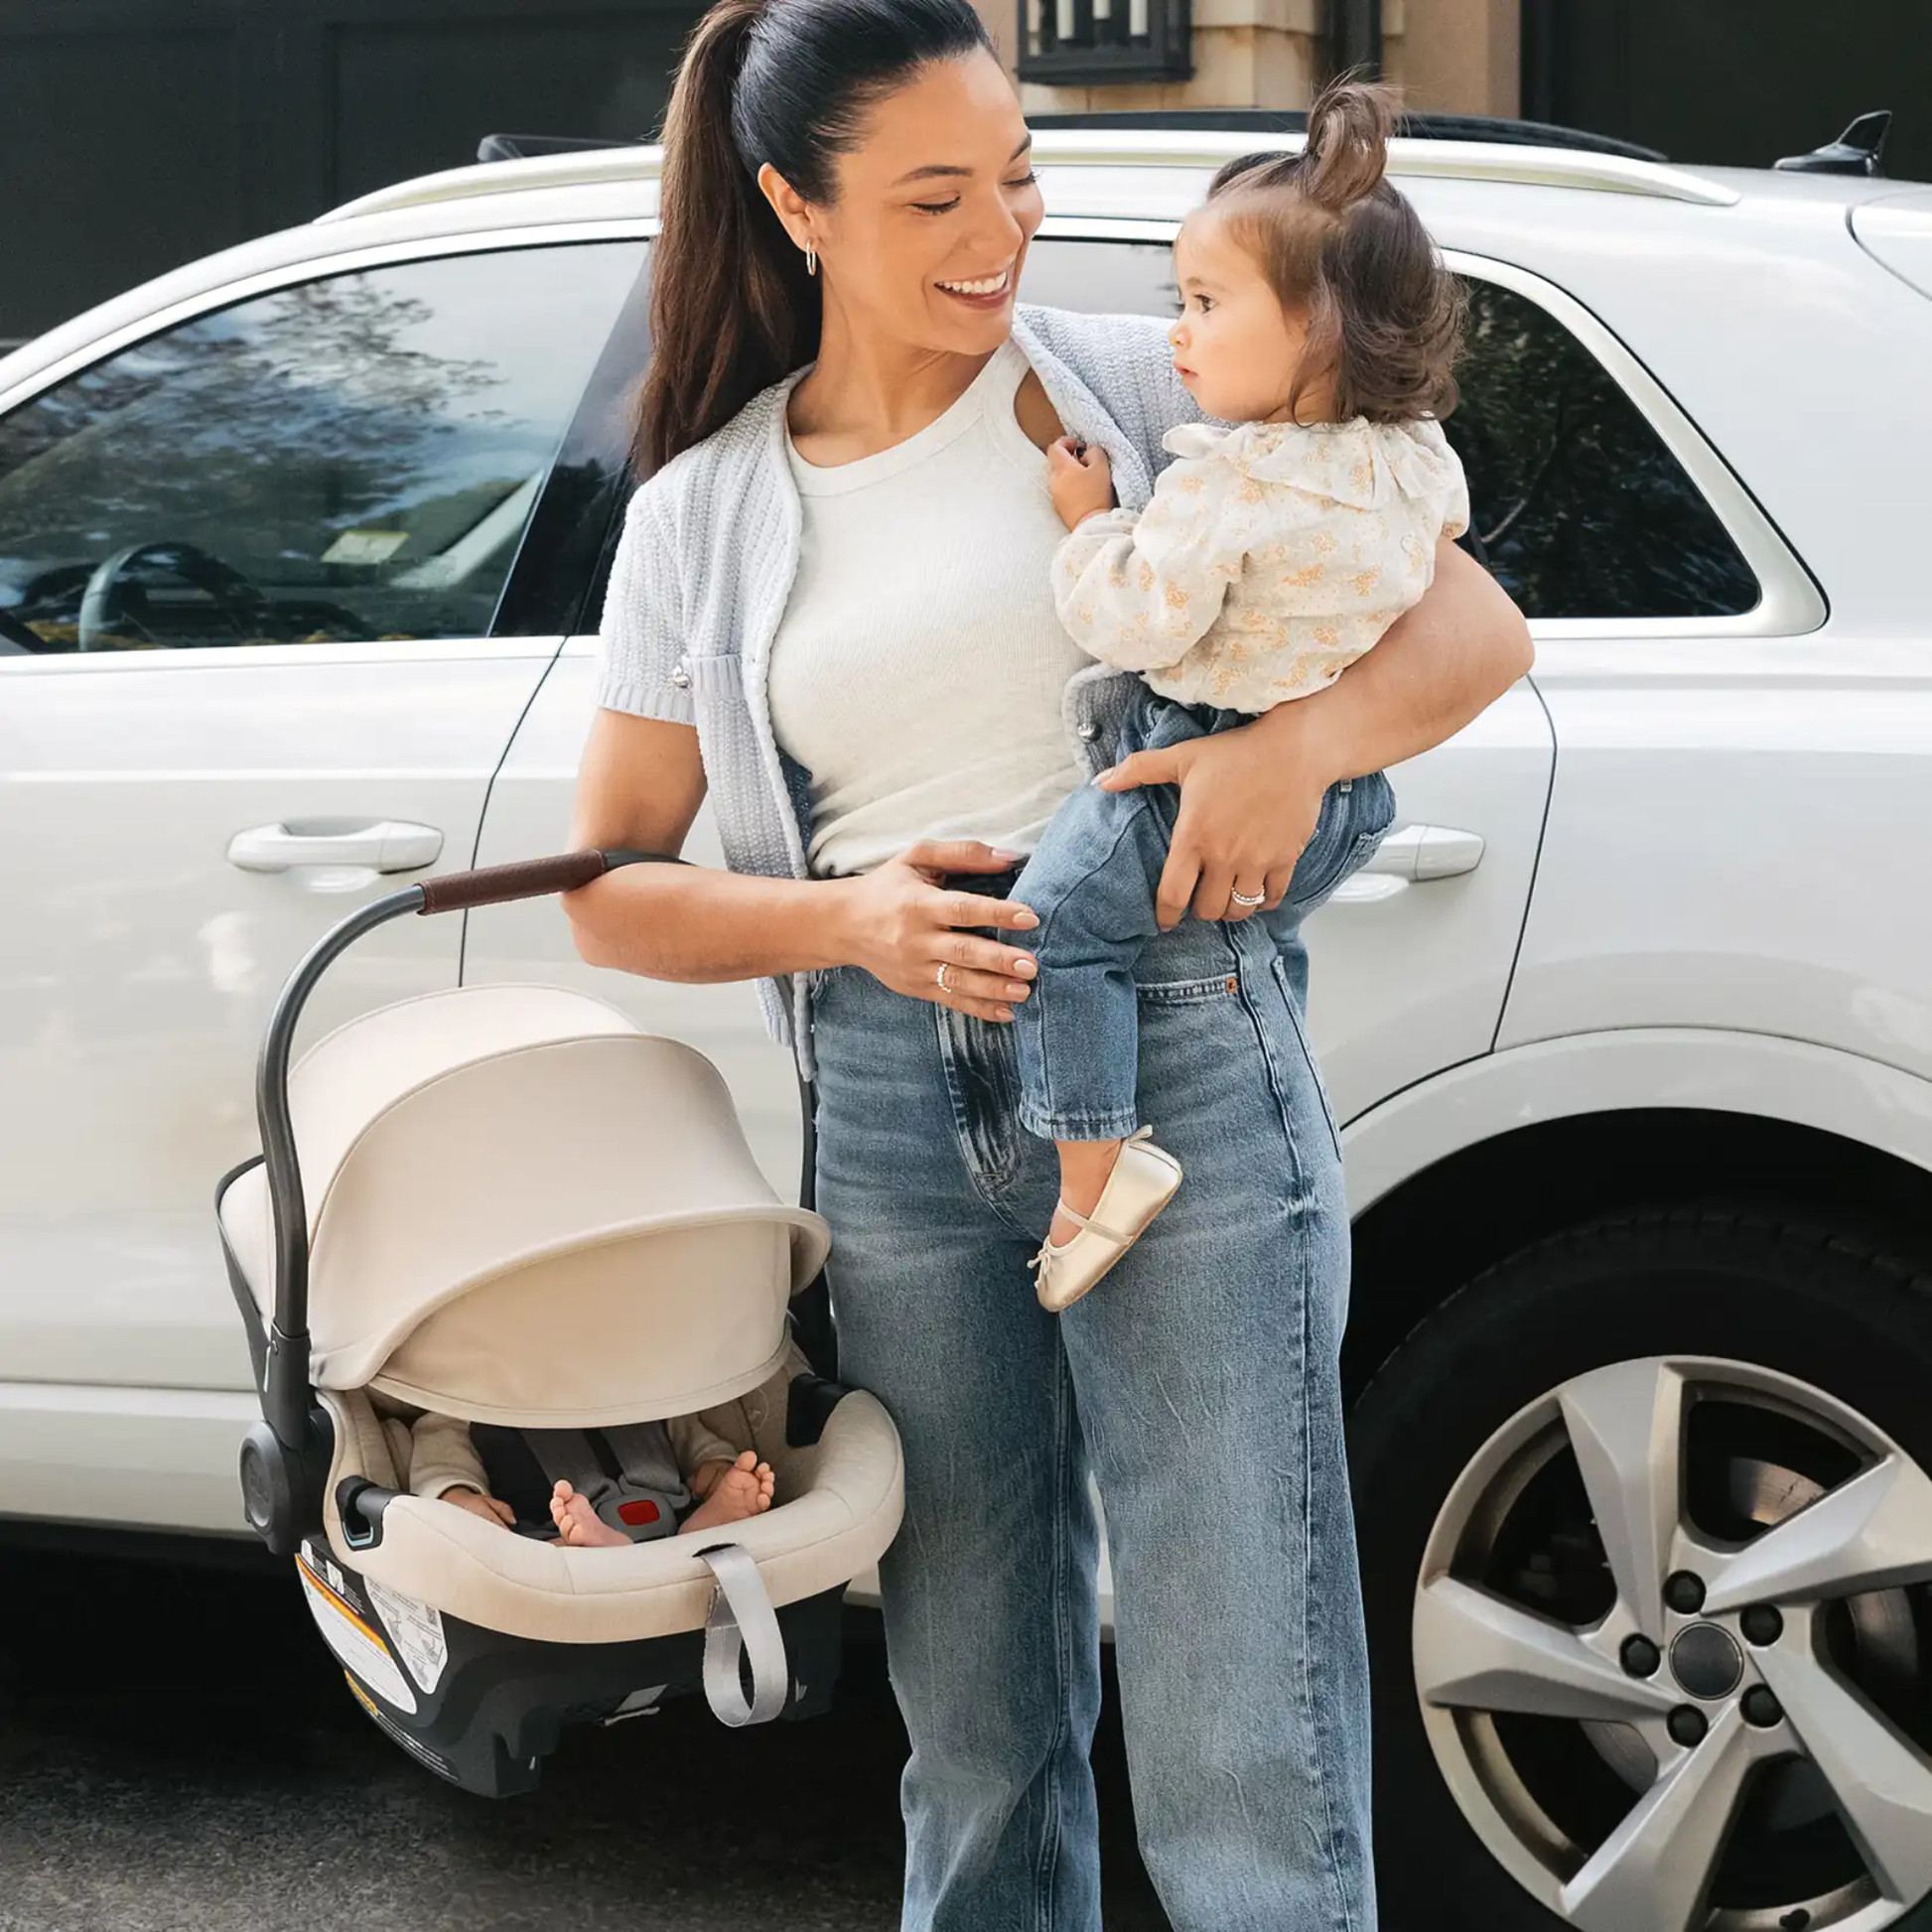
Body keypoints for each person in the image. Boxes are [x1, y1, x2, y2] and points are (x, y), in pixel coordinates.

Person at [564, 1, 1533, 1924]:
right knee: (978, 1702)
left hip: (1174, 1031)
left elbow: (1475, 626)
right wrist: (847, 917)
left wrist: (1289, 749)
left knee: (1236, 1679)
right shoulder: (701, 511)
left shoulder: (1146, 383)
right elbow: (610, 884)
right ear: (793, 206)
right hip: (895, 1089)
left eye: (1014, 173)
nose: (997, 228)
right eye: (934, 194)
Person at [1017, 76, 1470, 1311]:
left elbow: (1133, 619)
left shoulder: (1227, 484)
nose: (1176, 333)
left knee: (1050, 930)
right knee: (1247, 950)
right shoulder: (1416, 457)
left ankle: (1091, 1174)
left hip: (1196, 760)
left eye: (1205, 303)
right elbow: (1436, 564)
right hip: (1346, 798)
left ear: (1320, 330)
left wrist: (1088, 519)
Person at [390, 1404, 775, 1546]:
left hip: (667, 1497)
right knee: (523, 1553)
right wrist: (457, 1495)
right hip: (553, 1518)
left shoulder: (636, 1373)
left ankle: (702, 1524)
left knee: (657, 1409)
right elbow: (440, 1444)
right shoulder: (468, 1395)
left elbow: (681, 1421)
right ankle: (586, 1549)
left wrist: (711, 1462)